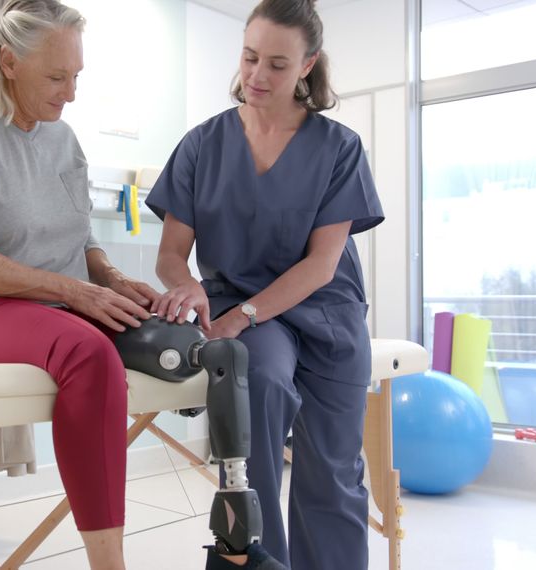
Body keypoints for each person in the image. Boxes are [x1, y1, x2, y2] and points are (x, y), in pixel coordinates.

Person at [0, 1, 162, 568]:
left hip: (52, 306)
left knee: (178, 339)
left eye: (75, 77)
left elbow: (78, 240)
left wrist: (114, 279)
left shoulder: (62, 138)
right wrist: (73, 293)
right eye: (55, 76)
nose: (70, 92)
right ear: (8, 62)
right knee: (89, 353)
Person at [144, 0, 385, 568]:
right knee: (263, 390)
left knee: (332, 471)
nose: (256, 75)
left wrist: (243, 315)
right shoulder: (203, 144)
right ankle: (258, 559)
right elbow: (171, 255)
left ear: (308, 66)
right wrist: (190, 290)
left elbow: (322, 264)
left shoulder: (338, 148)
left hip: (324, 310)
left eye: (277, 64)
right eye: (250, 57)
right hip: (236, 306)